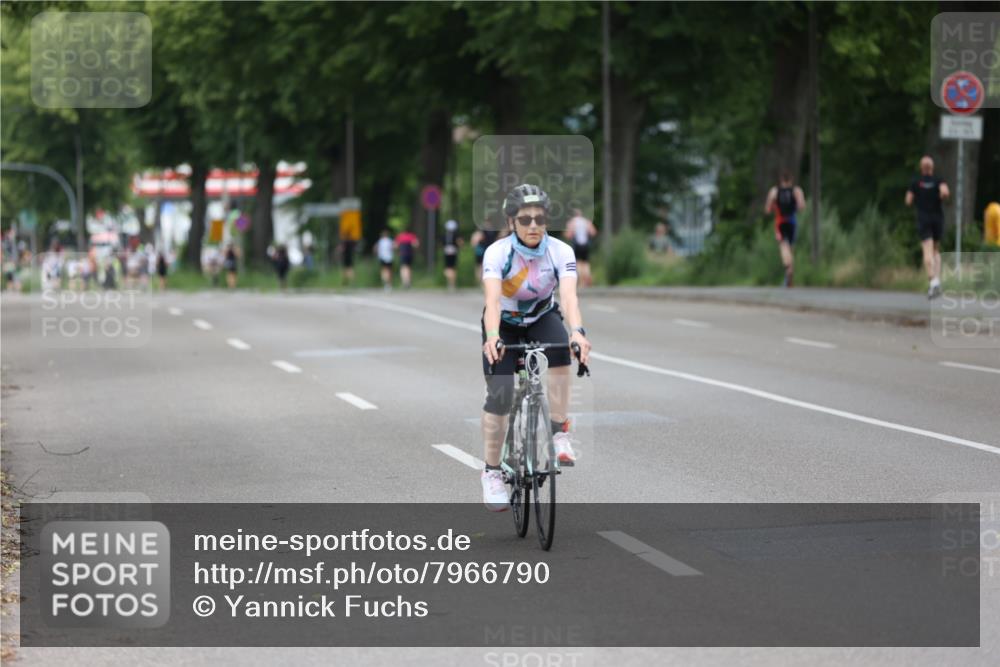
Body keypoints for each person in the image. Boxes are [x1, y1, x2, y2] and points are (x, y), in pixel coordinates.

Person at [480, 184, 591, 512]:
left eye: (539, 219)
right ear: (511, 221)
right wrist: (492, 335)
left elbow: (569, 298)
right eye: (524, 219)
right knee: (499, 396)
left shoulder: (561, 251)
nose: (533, 226)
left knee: (561, 350)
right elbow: (491, 301)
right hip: (504, 323)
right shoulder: (498, 253)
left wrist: (578, 333)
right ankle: (491, 472)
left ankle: (559, 432)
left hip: (542, 315)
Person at [905, 155, 950, 299]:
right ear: (932, 167)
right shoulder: (939, 180)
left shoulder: (915, 182)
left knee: (927, 250)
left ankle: (933, 282)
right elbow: (945, 192)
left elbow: (908, 200)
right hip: (937, 218)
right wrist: (940, 196)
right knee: (936, 249)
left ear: (921, 168)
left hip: (923, 219)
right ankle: (937, 281)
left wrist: (919, 198)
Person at [764, 171, 806, 287]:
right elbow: (802, 206)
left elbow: (767, 209)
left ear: (781, 180)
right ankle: (789, 275)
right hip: (792, 221)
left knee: (783, 246)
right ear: (791, 180)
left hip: (780, 221)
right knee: (791, 248)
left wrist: (774, 207)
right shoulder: (796, 190)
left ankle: (788, 269)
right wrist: (793, 208)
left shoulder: (775, 191)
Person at [563, 208, 597, 287]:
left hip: (577, 244)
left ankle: (582, 281)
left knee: (578, 263)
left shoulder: (572, 222)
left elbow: (568, 235)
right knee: (586, 263)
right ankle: (587, 277)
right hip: (585, 245)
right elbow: (593, 232)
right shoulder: (586, 222)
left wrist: (568, 234)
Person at [442, 219, 462, 291]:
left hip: (447, 252)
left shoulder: (445, 235)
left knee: (448, 268)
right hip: (454, 251)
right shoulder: (456, 235)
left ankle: (450, 283)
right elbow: (460, 243)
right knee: (452, 268)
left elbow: (442, 244)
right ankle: (452, 283)